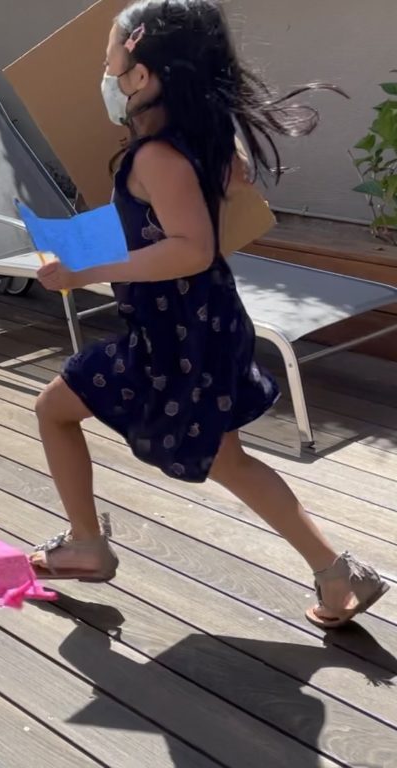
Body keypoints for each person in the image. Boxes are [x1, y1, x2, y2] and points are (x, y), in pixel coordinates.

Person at [29, 0, 388, 629]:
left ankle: (86, 543)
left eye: (111, 55)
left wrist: (83, 272)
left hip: (172, 339)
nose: (104, 67)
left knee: (54, 408)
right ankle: (339, 575)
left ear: (141, 77)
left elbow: (189, 248)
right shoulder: (201, 137)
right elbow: (220, 191)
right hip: (207, 323)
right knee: (228, 458)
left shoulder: (154, 157)